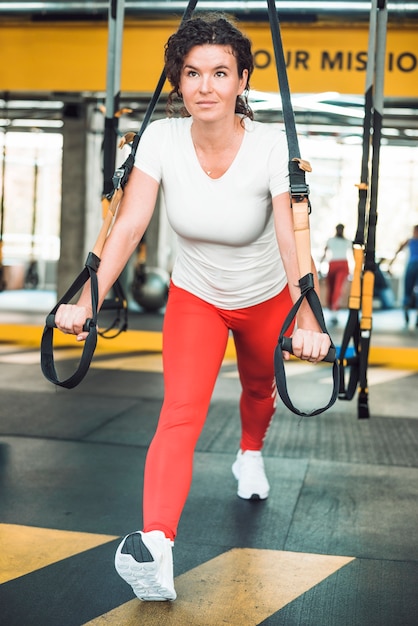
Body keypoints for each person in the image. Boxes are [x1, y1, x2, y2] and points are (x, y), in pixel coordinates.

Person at [55, 13, 330, 602]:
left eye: (220, 73)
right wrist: (86, 297)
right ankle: (157, 546)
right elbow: (128, 227)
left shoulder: (270, 146)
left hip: (264, 298)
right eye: (193, 73)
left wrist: (306, 313)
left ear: (242, 80)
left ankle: (249, 453)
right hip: (196, 297)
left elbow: (290, 237)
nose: (206, 86)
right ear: (178, 82)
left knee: (261, 391)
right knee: (179, 412)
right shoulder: (160, 139)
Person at [320, 223, 352, 325]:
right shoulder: (330, 241)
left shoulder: (347, 242)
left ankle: (335, 312)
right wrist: (320, 267)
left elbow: (354, 256)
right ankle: (332, 310)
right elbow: (325, 254)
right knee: (332, 288)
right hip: (332, 265)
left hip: (343, 265)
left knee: (338, 288)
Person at [390, 224, 418, 326]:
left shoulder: (410, 241)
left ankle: (406, 308)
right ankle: (412, 312)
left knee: (408, 290)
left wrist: (391, 263)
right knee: (414, 290)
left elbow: (398, 250)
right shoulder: (409, 241)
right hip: (412, 266)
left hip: (412, 266)